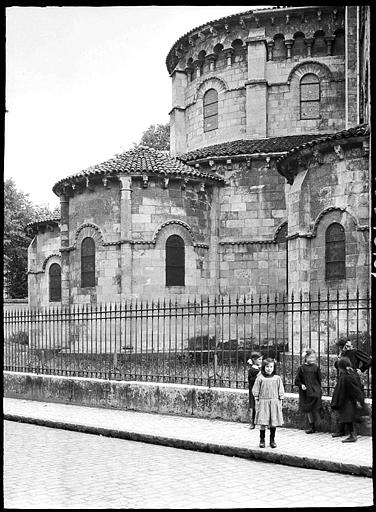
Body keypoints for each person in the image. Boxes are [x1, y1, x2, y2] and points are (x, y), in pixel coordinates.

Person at [331, 356, 368, 442]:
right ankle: (341, 431)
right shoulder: (351, 373)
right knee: (344, 416)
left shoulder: (348, 376)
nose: (339, 370)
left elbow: (354, 389)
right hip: (347, 399)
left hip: (349, 400)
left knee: (348, 417)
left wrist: (358, 400)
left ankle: (352, 435)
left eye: (340, 368)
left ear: (342, 368)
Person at [252, 357, 284, 448]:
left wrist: (280, 401)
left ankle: (272, 440)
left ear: (274, 368)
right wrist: (257, 401)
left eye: (271, 367)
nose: (269, 369)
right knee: (263, 422)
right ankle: (262, 440)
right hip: (263, 403)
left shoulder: (277, 378)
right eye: (267, 367)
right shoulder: (260, 378)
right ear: (263, 367)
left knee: (273, 423)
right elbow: (256, 391)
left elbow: (280, 390)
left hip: (274, 402)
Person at [294, 349, 322, 434]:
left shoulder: (316, 367)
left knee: (316, 405)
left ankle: (319, 421)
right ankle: (312, 426)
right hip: (306, 391)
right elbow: (297, 380)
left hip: (315, 389)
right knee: (308, 408)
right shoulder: (301, 368)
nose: (312, 359)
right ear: (305, 357)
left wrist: (318, 388)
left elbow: (319, 379)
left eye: (313, 357)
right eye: (310, 357)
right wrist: (301, 385)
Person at [247, 352, 263, 429]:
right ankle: (253, 422)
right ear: (254, 360)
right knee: (254, 406)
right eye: (259, 359)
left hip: (262, 390)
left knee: (263, 406)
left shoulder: (263, 368)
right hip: (254, 390)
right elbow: (251, 380)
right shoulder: (252, 370)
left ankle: (265, 422)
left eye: (261, 359)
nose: (261, 361)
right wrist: (258, 375)